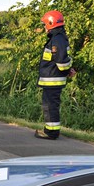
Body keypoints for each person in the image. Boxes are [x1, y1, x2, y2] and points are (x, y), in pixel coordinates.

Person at [35, 10, 75, 139]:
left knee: (50, 106)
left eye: (45, 24)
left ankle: (51, 132)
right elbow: (61, 61)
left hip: (52, 80)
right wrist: (69, 70)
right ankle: (50, 130)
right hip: (52, 79)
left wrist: (68, 69)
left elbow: (61, 62)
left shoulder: (57, 39)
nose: (45, 27)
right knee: (49, 105)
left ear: (51, 23)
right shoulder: (58, 38)